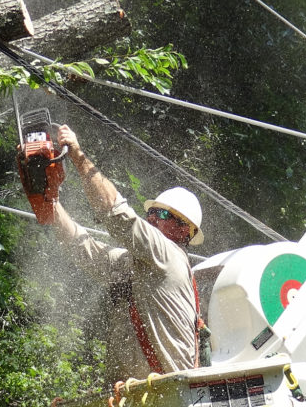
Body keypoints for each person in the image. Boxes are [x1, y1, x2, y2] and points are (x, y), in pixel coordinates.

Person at [48, 124, 204, 384]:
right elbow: (83, 248)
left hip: (168, 396)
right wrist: (50, 201)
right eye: (151, 212)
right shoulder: (135, 263)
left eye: (163, 215)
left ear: (184, 230)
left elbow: (117, 215)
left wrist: (76, 153)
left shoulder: (167, 255)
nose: (152, 218)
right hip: (139, 396)